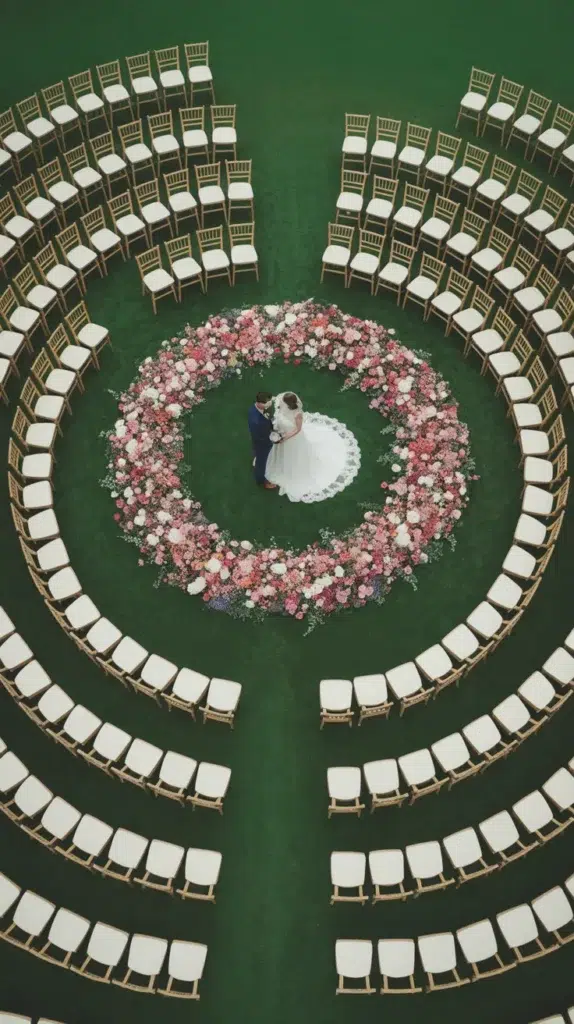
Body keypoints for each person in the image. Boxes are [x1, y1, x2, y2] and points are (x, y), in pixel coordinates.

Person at [265, 391, 361, 503]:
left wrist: (285, 437)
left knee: (295, 456)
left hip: (293, 438)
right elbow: (279, 405)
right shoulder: (282, 401)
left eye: (284, 402)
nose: (282, 402)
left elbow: (298, 429)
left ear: (290, 403)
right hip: (282, 432)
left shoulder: (297, 414)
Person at [247, 390, 278, 489]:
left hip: (262, 436)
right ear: (260, 403)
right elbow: (259, 435)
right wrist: (274, 438)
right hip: (262, 442)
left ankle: (256, 457)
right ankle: (262, 481)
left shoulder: (255, 408)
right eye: (267, 403)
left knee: (257, 452)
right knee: (261, 462)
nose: (269, 404)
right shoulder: (256, 421)